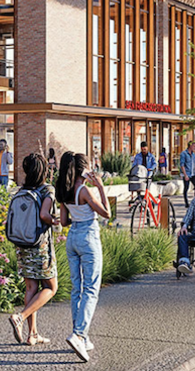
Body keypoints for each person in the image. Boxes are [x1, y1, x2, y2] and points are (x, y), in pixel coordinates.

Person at [55, 152, 110, 362]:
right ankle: (78, 334)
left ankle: (82, 336)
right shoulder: (84, 191)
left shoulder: (64, 190)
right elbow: (107, 213)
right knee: (91, 289)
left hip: (72, 238)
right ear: (83, 169)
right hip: (88, 237)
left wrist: (74, 212)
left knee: (77, 288)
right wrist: (101, 187)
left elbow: (63, 222)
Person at [8, 153, 58, 347]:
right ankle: (20, 317)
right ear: (44, 170)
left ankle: (33, 334)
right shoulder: (47, 189)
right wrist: (56, 220)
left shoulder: (23, 189)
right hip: (40, 245)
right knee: (51, 288)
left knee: (31, 287)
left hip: (22, 243)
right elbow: (44, 215)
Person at [179, 141, 195, 207]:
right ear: (190, 146)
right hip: (187, 173)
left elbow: (194, 165)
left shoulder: (193, 154)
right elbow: (182, 165)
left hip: (193, 174)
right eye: (194, 146)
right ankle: (186, 203)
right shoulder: (183, 154)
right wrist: (185, 175)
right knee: (186, 188)